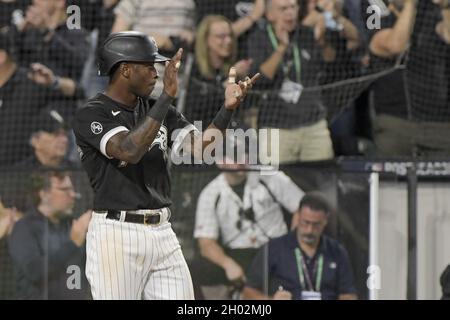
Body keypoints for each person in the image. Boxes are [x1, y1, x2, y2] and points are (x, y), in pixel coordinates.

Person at [72, 31, 260, 300]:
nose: (155, 73)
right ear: (125, 69)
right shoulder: (92, 112)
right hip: (116, 234)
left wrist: (227, 110)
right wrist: (166, 98)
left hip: (162, 231)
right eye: (148, 66)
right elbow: (129, 150)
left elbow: (202, 148)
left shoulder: (158, 108)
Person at [192, 136, 304, 299]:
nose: (240, 159)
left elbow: (303, 206)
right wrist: (228, 265)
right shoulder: (211, 193)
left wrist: (292, 244)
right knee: (203, 268)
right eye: (232, 155)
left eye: (243, 153)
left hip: (274, 250)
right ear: (219, 161)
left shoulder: (269, 176)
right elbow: (206, 243)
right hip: (238, 254)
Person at [248, 0, 334, 164]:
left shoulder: (306, 34)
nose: (290, 12)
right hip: (276, 126)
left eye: (293, 7)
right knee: (273, 182)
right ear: (270, 14)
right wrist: (282, 47)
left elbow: (330, 63)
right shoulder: (258, 38)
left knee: (322, 178)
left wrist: (322, 41)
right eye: (283, 8)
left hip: (314, 124)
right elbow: (261, 78)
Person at [242, 192, 357, 300]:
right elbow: (248, 292)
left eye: (316, 225)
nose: (309, 230)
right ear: (298, 216)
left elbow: (348, 293)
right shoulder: (274, 249)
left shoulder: (337, 251)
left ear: (325, 221)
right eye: (305, 222)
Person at [0, 26, 84, 166]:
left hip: (27, 173)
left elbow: (78, 91)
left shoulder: (33, 79)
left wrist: (54, 82)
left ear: (1, 57)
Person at [8, 170, 91, 299]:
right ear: (44, 194)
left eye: (72, 189)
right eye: (64, 189)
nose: (73, 195)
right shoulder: (25, 228)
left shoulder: (73, 225)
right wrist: (73, 243)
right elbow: (34, 270)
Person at [184, 15, 253, 127]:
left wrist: (244, 83)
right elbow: (198, 105)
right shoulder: (193, 68)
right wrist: (232, 78)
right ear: (206, 40)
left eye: (230, 35)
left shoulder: (233, 65)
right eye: (221, 36)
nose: (228, 41)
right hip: (199, 130)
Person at [13, 0, 90, 81]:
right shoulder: (30, 31)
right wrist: (19, 31)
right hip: (26, 88)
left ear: (59, 2)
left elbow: (78, 63)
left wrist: (47, 33)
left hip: (59, 90)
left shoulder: (77, 33)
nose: (35, 1)